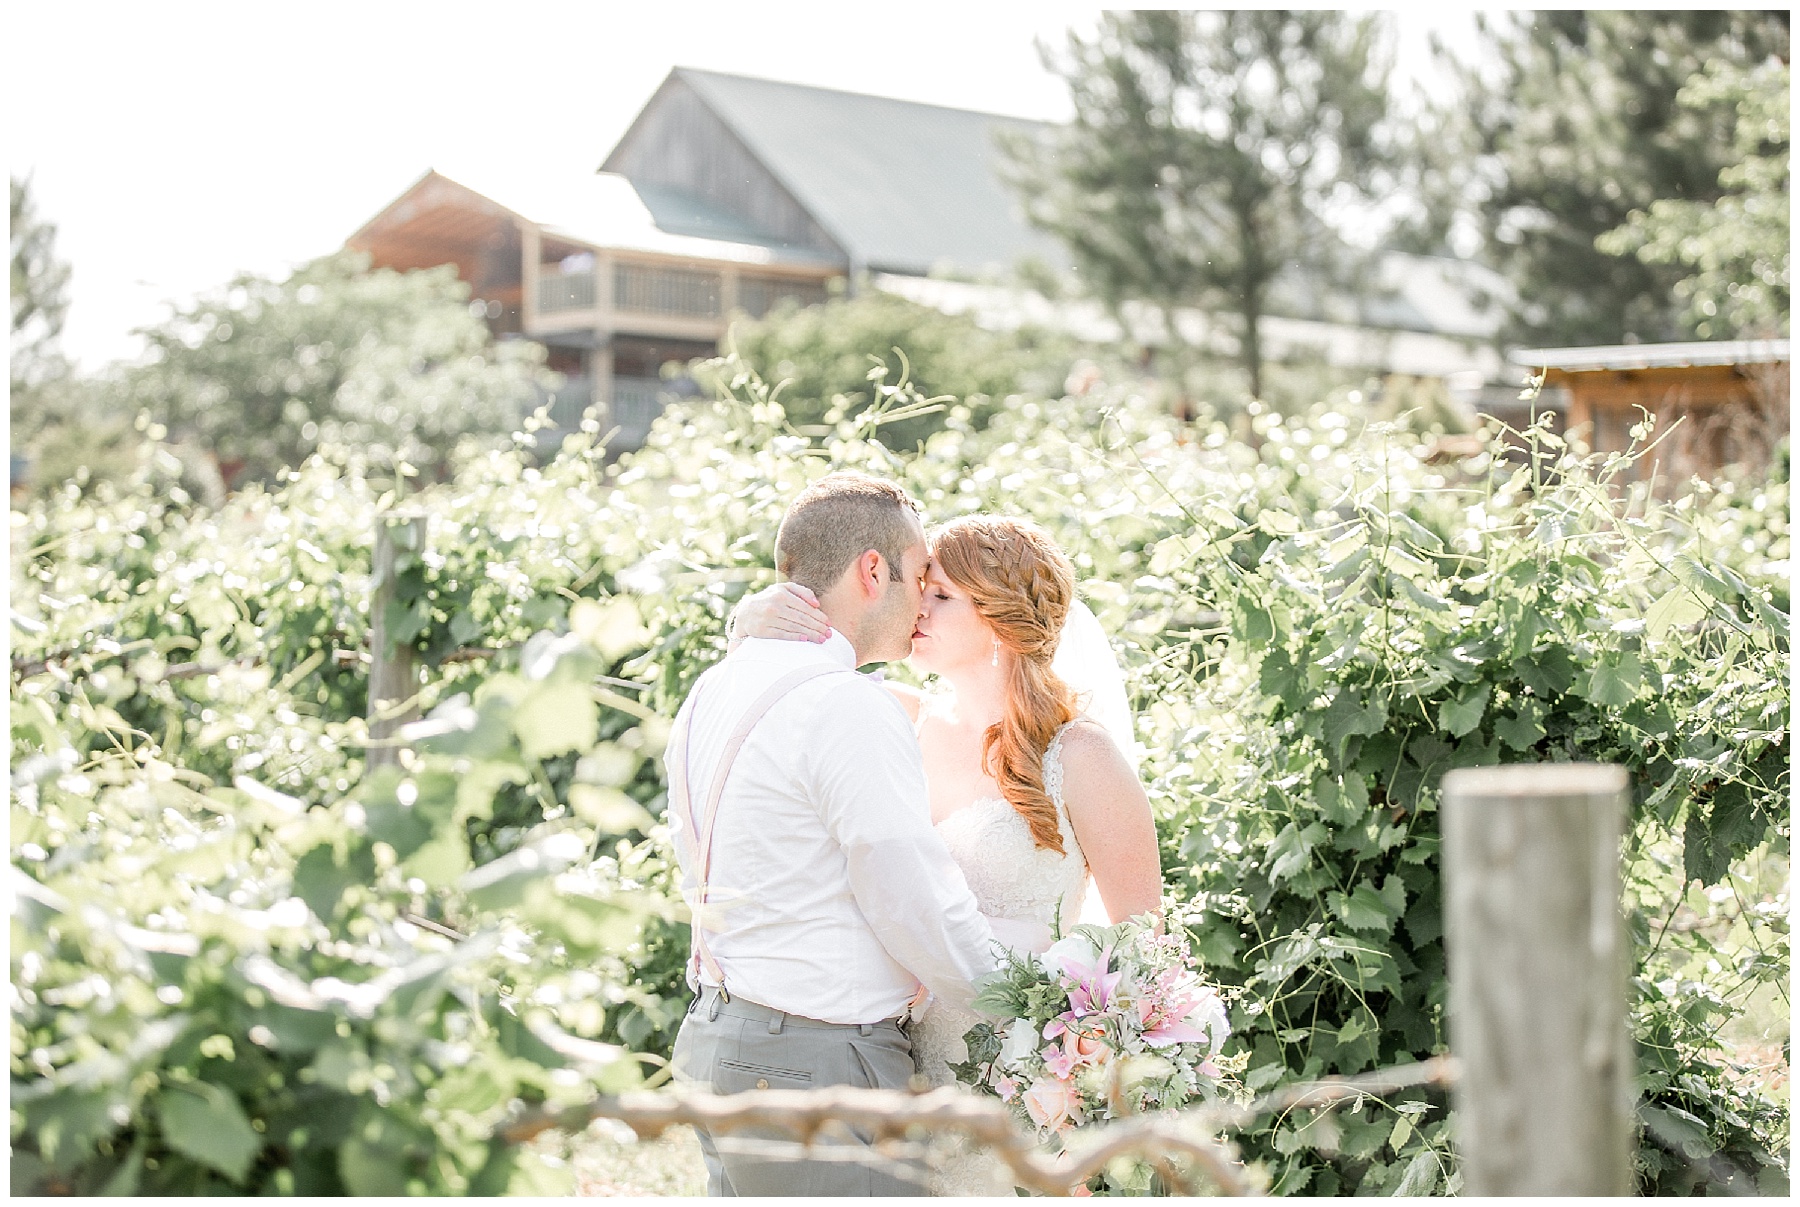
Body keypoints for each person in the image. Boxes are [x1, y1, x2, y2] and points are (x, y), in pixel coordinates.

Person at [730, 512, 1162, 1194]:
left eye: (941, 596)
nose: (916, 607)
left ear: (998, 616)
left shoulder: (1081, 754)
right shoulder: (897, 717)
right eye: (919, 587)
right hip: (902, 1055)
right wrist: (753, 618)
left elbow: (1144, 941)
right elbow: (769, 697)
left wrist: (1078, 1074)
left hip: (1028, 1069)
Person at [665, 472, 1049, 1198]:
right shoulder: (845, 706)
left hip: (720, 1039)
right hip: (818, 1065)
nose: (921, 601)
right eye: (918, 575)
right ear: (874, 570)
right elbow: (911, 899)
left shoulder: (713, 687)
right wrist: (1035, 1002)